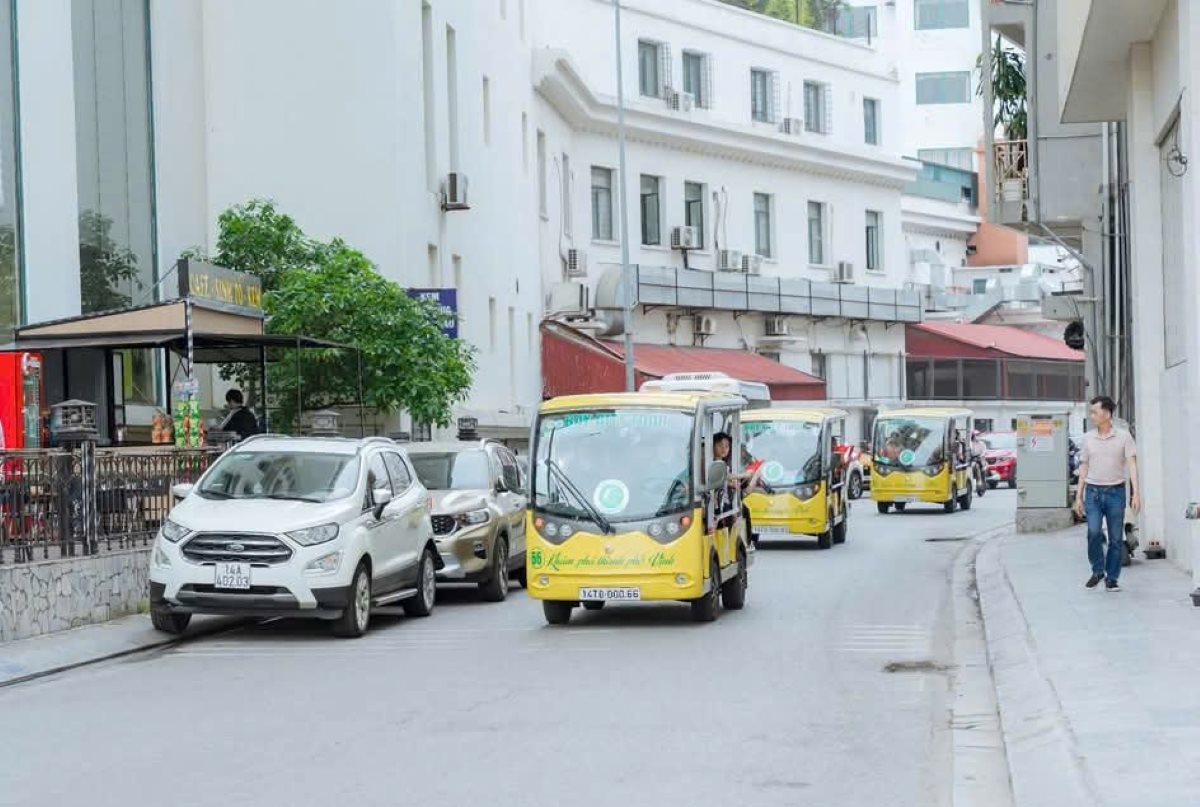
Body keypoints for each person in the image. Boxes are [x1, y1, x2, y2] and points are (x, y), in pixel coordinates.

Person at [1073, 396, 1140, 592]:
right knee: (1093, 532)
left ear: (1107, 413)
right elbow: (1083, 467)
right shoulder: (1088, 438)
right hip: (1092, 493)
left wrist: (1136, 493)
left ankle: (1112, 578)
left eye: (1095, 412)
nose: (1092, 415)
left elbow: (1132, 464)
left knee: (1116, 538)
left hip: (1116, 492)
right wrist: (1078, 497)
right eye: (1091, 411)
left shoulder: (1124, 436)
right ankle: (1097, 570)